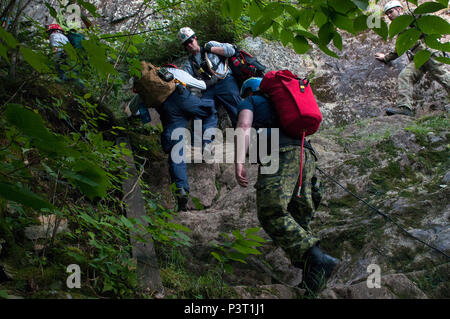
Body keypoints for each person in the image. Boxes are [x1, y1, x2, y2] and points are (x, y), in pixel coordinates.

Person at [234, 77, 339, 295]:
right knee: (298, 219)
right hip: (306, 156)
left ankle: (319, 260)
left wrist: (239, 161)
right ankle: (312, 283)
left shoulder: (251, 102)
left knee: (271, 212)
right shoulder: (286, 108)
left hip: (278, 154)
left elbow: (244, 125)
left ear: (249, 92)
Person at [134, 65, 215, 211]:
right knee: (209, 111)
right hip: (182, 98)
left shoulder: (145, 87)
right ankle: (206, 144)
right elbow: (201, 85)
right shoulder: (174, 72)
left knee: (175, 149)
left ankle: (181, 190)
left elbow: (135, 108)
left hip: (167, 111)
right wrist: (212, 80)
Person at [375, 1, 450, 116]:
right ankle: (405, 107)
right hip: (418, 59)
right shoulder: (401, 30)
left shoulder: (413, 15)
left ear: (399, 9)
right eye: (387, 14)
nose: (389, 16)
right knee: (405, 76)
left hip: (429, 52)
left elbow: (431, 23)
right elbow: (399, 49)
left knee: (442, 76)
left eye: (391, 12)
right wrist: (385, 58)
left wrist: (438, 43)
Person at [178, 27, 242, 151]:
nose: (190, 45)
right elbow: (186, 81)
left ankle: (245, 140)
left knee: (236, 108)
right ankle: (205, 145)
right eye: (186, 44)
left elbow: (231, 50)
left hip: (225, 81)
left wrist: (211, 49)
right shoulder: (189, 64)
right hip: (208, 89)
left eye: (191, 41)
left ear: (195, 38)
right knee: (203, 112)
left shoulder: (210, 46)